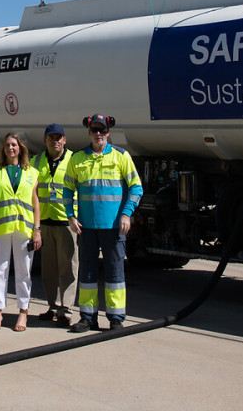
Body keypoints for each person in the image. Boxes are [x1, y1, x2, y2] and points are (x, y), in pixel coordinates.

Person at [64, 114, 143, 332]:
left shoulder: (121, 156)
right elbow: (67, 190)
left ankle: (116, 318)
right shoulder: (77, 158)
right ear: (88, 132)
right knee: (87, 273)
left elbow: (136, 187)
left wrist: (126, 214)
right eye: (95, 130)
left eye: (103, 131)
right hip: (86, 227)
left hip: (113, 228)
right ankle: (88, 317)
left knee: (115, 273)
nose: (99, 134)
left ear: (108, 133)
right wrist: (70, 216)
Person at [0, 133, 41, 332]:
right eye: (7, 145)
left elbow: (35, 203)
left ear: (20, 148)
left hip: (24, 229)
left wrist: (37, 229)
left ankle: (23, 312)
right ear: (3, 149)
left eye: (14, 145)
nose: (10, 148)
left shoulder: (31, 172)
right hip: (0, 229)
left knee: (24, 272)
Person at [31, 123, 79, 327]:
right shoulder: (36, 161)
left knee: (68, 266)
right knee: (49, 268)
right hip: (45, 222)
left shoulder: (73, 160)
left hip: (66, 221)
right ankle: (52, 306)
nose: (55, 141)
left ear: (65, 140)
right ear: (45, 140)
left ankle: (66, 310)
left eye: (59, 137)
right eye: (51, 137)